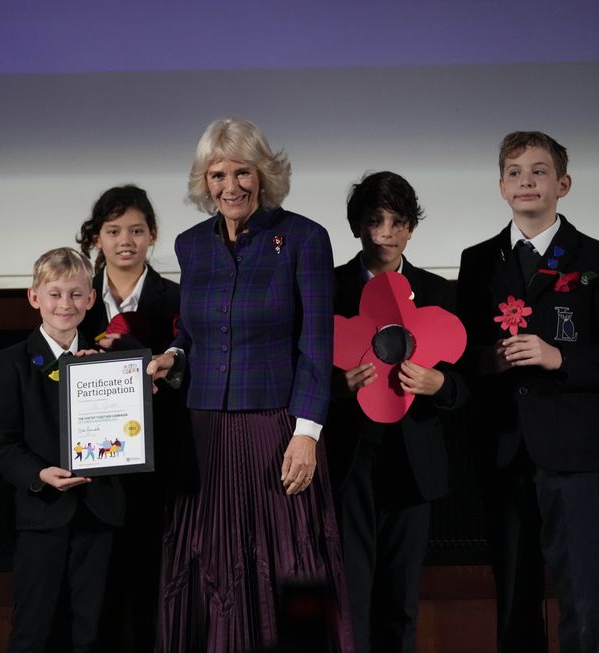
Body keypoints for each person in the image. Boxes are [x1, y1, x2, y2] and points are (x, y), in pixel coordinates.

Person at [148, 118, 353, 652]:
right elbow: (193, 331)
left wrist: (307, 434)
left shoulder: (305, 238)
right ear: (205, 181)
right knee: (207, 565)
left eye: (242, 172)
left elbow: (317, 345)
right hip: (203, 437)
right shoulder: (191, 245)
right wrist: (173, 356)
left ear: (263, 174)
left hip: (277, 432)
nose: (231, 186)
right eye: (218, 175)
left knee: (288, 564)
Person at [457, 132, 599, 653]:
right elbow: (461, 353)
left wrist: (558, 357)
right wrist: (488, 360)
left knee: (583, 595)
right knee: (514, 599)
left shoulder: (593, 257)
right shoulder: (478, 260)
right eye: (514, 173)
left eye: (539, 171)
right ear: (501, 187)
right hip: (504, 448)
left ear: (563, 184)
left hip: (576, 453)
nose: (526, 182)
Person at [326, 171, 466, 652]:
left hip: (413, 462)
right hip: (349, 463)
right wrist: (338, 388)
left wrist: (438, 383)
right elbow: (298, 374)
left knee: (401, 603)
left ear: (411, 228)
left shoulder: (436, 291)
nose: (386, 233)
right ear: (356, 225)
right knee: (350, 602)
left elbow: (464, 385)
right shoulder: (328, 288)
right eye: (375, 221)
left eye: (398, 222)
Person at [0, 247, 125, 652]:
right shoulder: (12, 361)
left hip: (99, 511)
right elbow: (3, 440)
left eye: (75, 294)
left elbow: (129, 431)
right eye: (55, 294)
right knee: (33, 628)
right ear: (34, 297)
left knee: (94, 630)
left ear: (91, 298)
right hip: (42, 513)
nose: (65, 303)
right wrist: (38, 474)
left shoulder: (111, 361)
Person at [76, 185, 183, 652]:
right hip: (92, 469)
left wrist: (165, 369)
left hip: (158, 465)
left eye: (137, 231)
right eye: (114, 230)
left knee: (150, 591)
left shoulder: (177, 298)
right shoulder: (75, 298)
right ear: (96, 237)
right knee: (96, 596)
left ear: (153, 235)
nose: (126, 241)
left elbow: (193, 373)